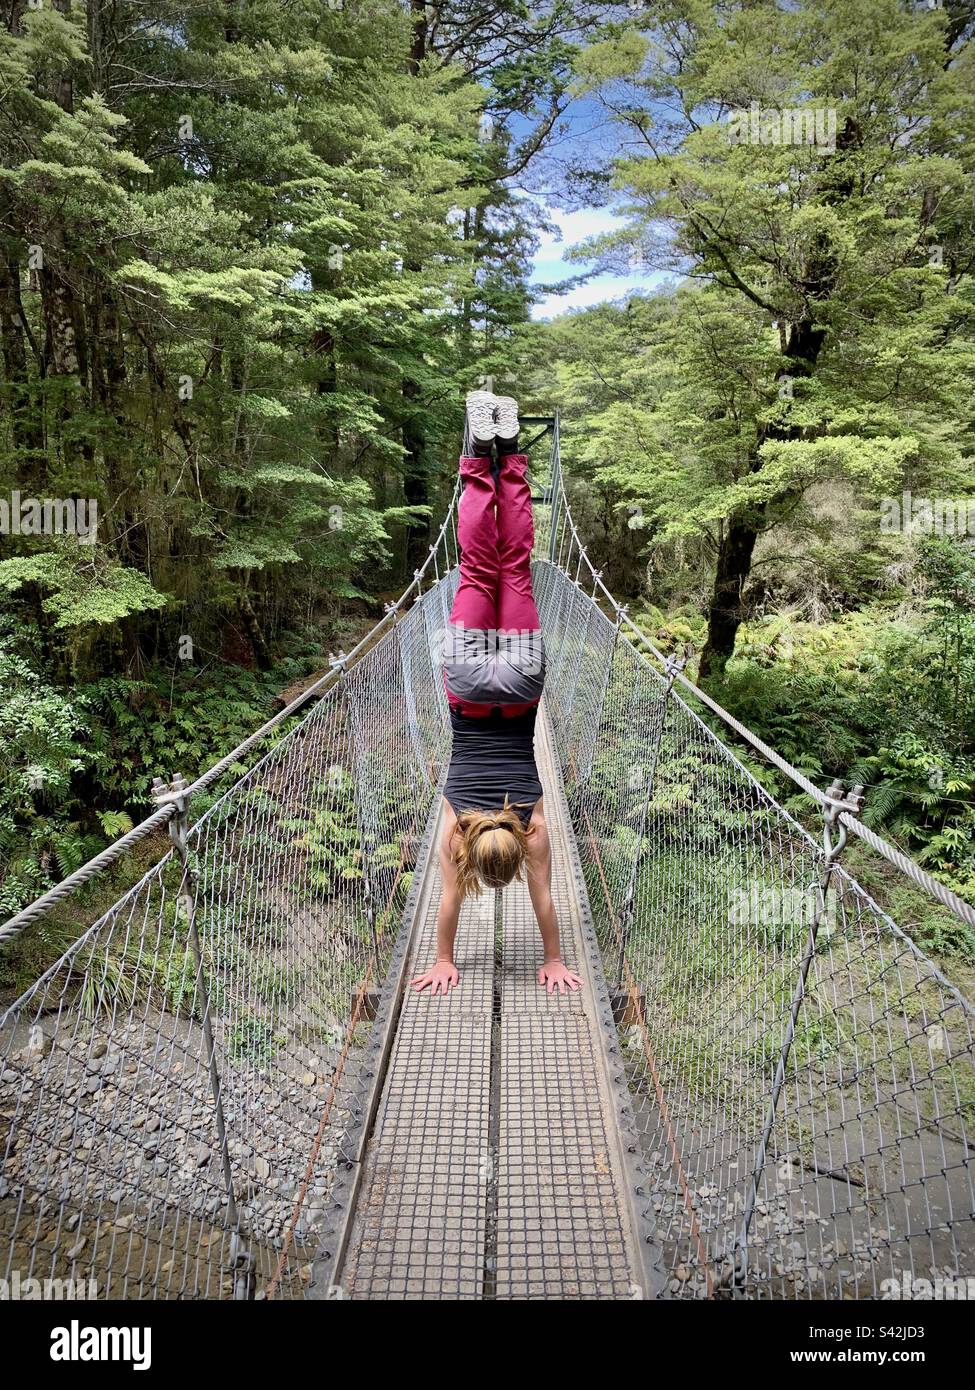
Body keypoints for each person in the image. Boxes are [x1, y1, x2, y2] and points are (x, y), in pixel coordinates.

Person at [411, 392, 583, 998]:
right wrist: (442, 959)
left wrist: (554, 958)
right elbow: (448, 906)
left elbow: (542, 902)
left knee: (513, 568)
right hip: (464, 682)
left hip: (521, 682)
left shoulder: (533, 829)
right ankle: (477, 457)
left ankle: (508, 454)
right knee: (476, 568)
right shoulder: (457, 834)